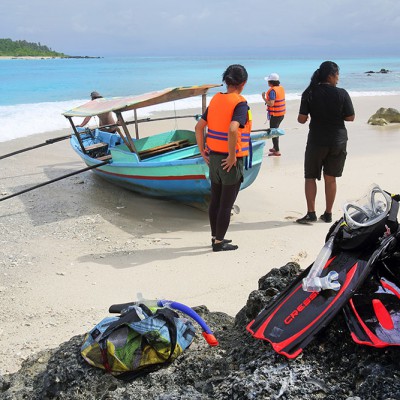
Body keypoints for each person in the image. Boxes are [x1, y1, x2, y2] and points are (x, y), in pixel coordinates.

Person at [195, 64, 251, 252]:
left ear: (226, 81)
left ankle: (215, 238)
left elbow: (199, 127)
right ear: (243, 83)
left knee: (216, 201)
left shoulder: (216, 100)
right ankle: (219, 242)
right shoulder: (240, 103)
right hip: (229, 160)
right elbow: (233, 128)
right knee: (226, 205)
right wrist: (233, 155)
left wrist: (203, 151)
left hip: (214, 158)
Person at [296, 61, 355, 224]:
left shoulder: (309, 92)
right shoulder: (342, 93)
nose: (338, 78)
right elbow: (350, 117)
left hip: (317, 140)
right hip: (338, 140)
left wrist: (311, 115)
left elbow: (301, 119)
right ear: (330, 75)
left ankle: (311, 213)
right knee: (331, 178)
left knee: (310, 177)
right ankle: (328, 214)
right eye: (337, 75)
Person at [261, 73, 285, 156]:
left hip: (276, 115)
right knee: (275, 131)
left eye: (268, 81)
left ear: (271, 82)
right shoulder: (280, 88)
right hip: (281, 114)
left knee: (274, 132)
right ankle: (275, 147)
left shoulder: (272, 91)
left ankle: (277, 150)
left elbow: (271, 103)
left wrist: (263, 98)